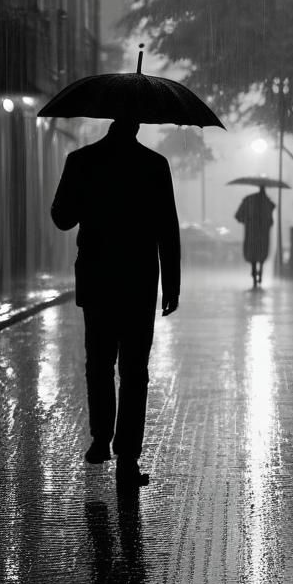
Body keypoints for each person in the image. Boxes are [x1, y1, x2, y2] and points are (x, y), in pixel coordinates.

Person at [51, 114, 180, 486]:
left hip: (98, 278)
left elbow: (61, 217)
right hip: (139, 280)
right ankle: (127, 457)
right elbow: (167, 229)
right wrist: (172, 285)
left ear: (110, 121)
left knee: (99, 362)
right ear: (137, 126)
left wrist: (87, 197)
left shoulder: (81, 160)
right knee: (134, 370)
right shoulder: (154, 165)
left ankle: (100, 438)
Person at [234, 186, 275, 288]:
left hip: (251, 233)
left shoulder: (249, 201)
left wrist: (247, 221)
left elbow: (238, 216)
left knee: (253, 254)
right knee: (261, 254)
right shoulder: (267, 203)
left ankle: (254, 272)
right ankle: (259, 272)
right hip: (262, 234)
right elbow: (271, 221)